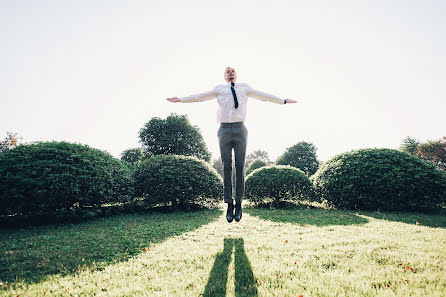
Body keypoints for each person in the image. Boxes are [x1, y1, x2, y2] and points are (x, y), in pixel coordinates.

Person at [167, 67, 297, 223]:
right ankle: (229, 204)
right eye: (227, 72)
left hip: (240, 129)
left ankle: (239, 203)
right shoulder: (219, 89)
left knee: (240, 166)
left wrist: (282, 100)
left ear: (236, 75)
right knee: (226, 165)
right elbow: (199, 97)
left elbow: (263, 96)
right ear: (224, 76)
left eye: (233, 71)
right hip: (224, 129)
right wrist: (180, 99)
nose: (230, 73)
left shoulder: (245, 88)